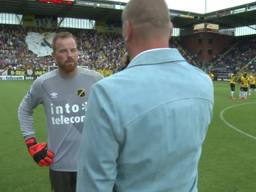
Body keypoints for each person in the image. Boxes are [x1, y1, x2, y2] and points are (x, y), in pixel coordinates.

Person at [76, 0, 214, 191]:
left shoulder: (107, 93)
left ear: (127, 29)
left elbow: (94, 184)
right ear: (171, 29)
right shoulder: (203, 82)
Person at [18, 32, 103, 192]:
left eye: (73, 50)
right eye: (63, 51)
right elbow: (24, 109)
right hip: (59, 166)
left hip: (90, 165)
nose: (69, 55)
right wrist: (31, 142)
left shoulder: (95, 79)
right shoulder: (43, 83)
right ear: (53, 54)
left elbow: (111, 112)